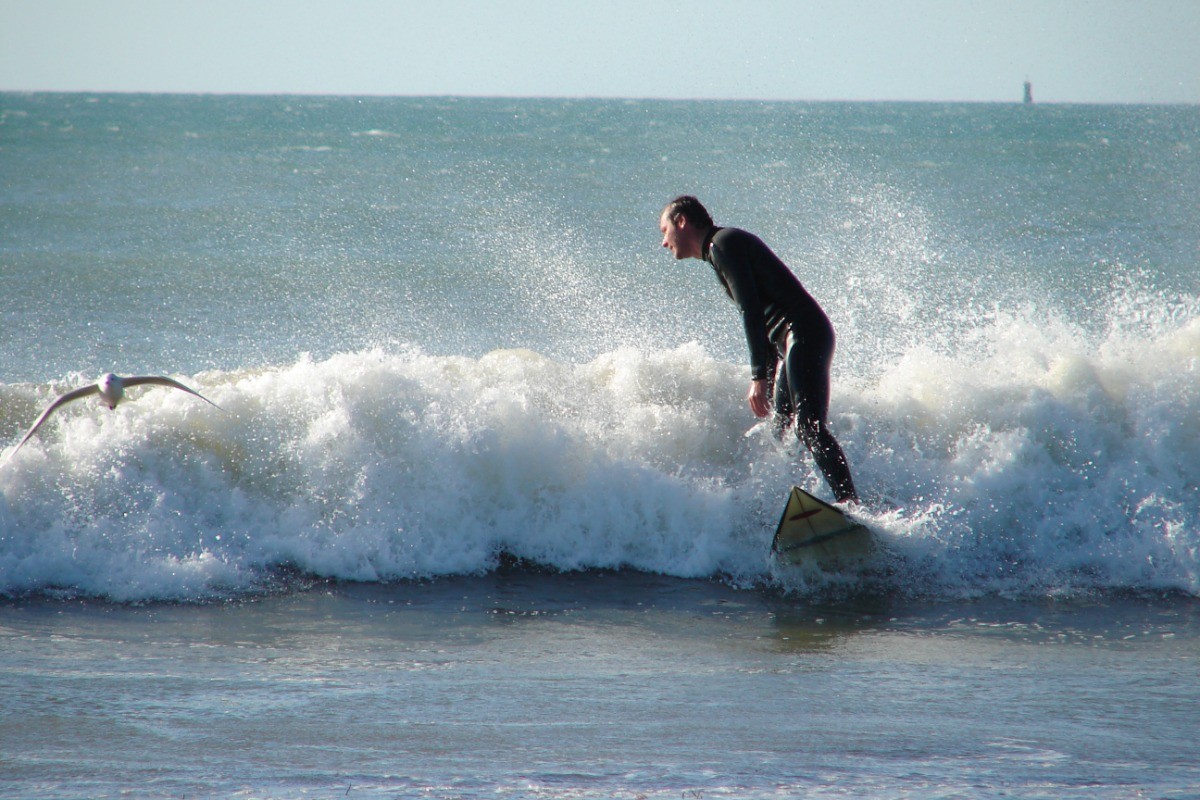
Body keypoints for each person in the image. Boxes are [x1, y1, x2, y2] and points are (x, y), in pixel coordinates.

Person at [659, 195, 859, 504]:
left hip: (804, 334)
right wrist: (768, 372)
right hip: (794, 340)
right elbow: (765, 324)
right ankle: (790, 506)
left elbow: (750, 312)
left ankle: (851, 506)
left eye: (664, 230)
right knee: (779, 429)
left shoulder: (723, 244)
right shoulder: (721, 250)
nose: (663, 242)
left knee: (808, 426)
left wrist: (758, 378)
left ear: (682, 222)